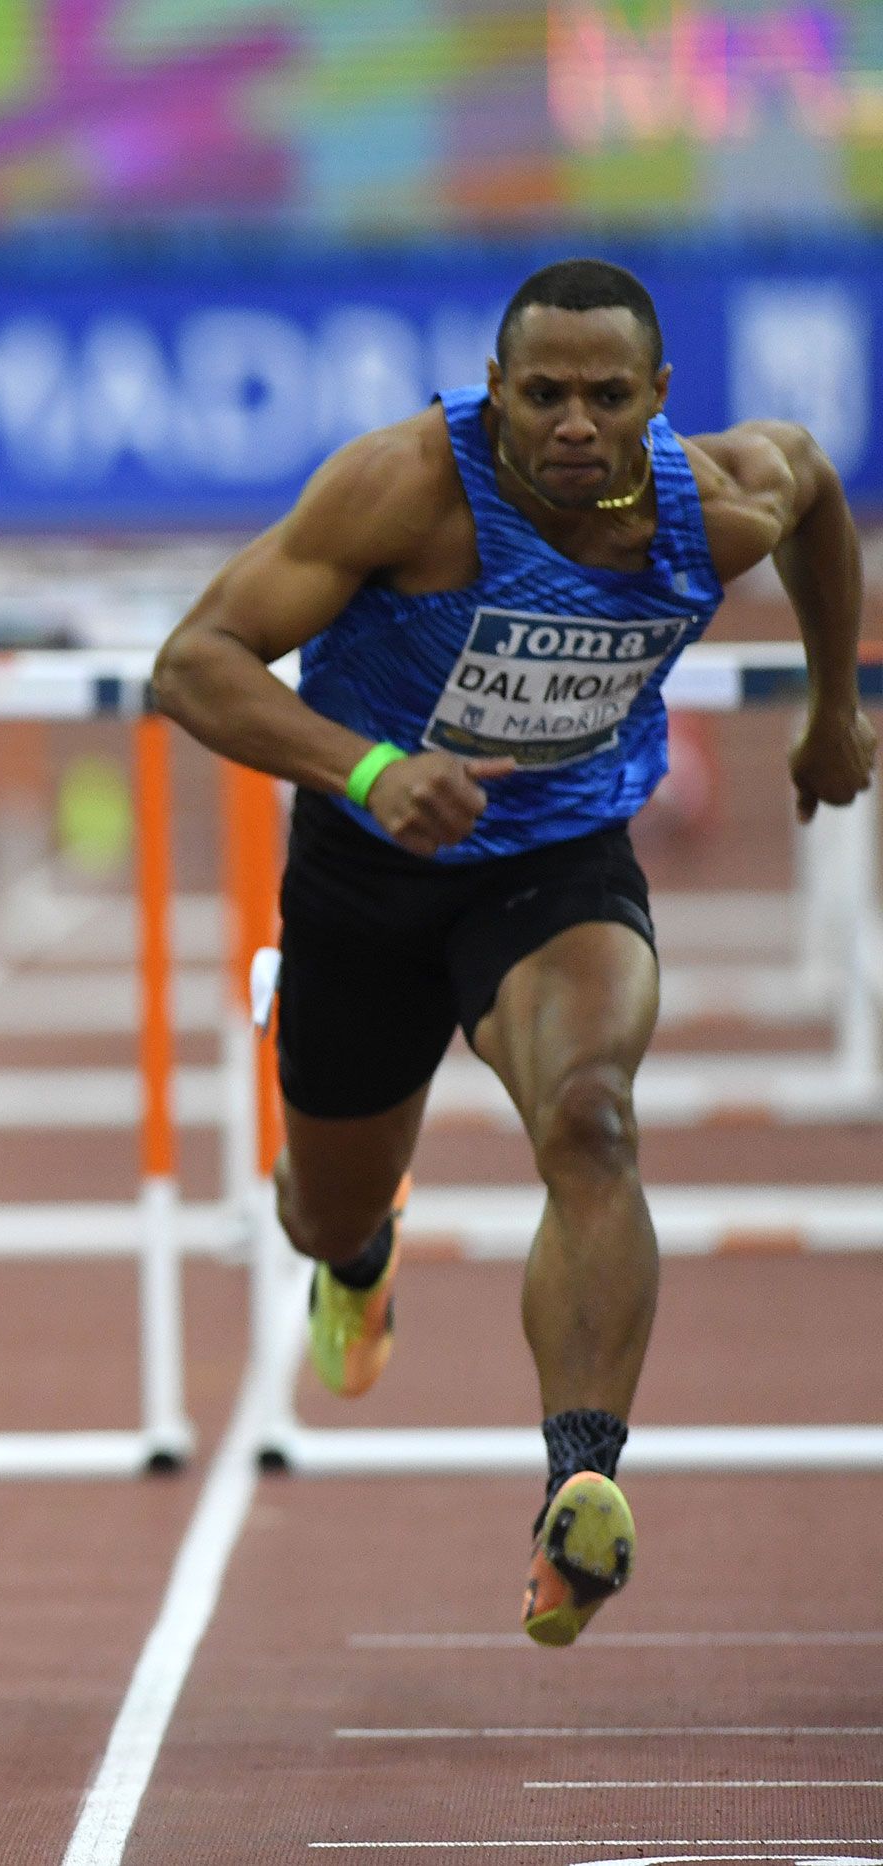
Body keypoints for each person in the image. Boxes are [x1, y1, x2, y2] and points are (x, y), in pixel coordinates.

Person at [153, 258, 874, 1646]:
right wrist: (368, 770)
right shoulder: (405, 487)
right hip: (371, 871)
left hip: (557, 862)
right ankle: (359, 1258)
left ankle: (579, 1479)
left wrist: (836, 705)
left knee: (593, 1118)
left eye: (609, 397)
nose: (574, 426)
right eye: (542, 393)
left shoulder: (713, 508)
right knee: (322, 1207)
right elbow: (195, 662)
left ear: (659, 401)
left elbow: (820, 491)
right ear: (496, 389)